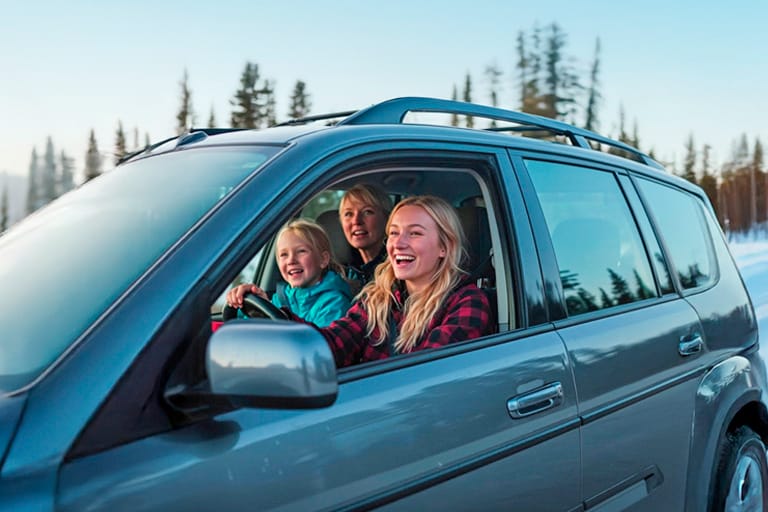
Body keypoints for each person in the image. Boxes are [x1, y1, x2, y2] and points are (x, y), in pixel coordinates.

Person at [231, 195, 493, 368]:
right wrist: (274, 316)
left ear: (443, 247)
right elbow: (332, 344)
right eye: (393, 233)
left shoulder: (467, 303)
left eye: (414, 233)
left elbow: (422, 376)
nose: (398, 243)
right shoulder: (377, 298)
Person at [226, 219, 352, 327]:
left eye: (301, 251)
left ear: (323, 259)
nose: (291, 260)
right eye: (284, 254)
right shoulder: (282, 298)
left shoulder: (334, 303)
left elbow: (318, 347)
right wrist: (242, 304)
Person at [337, 184, 392, 291]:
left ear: (388, 219)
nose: (356, 221)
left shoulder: (397, 272)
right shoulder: (344, 276)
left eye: (367, 212)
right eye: (348, 214)